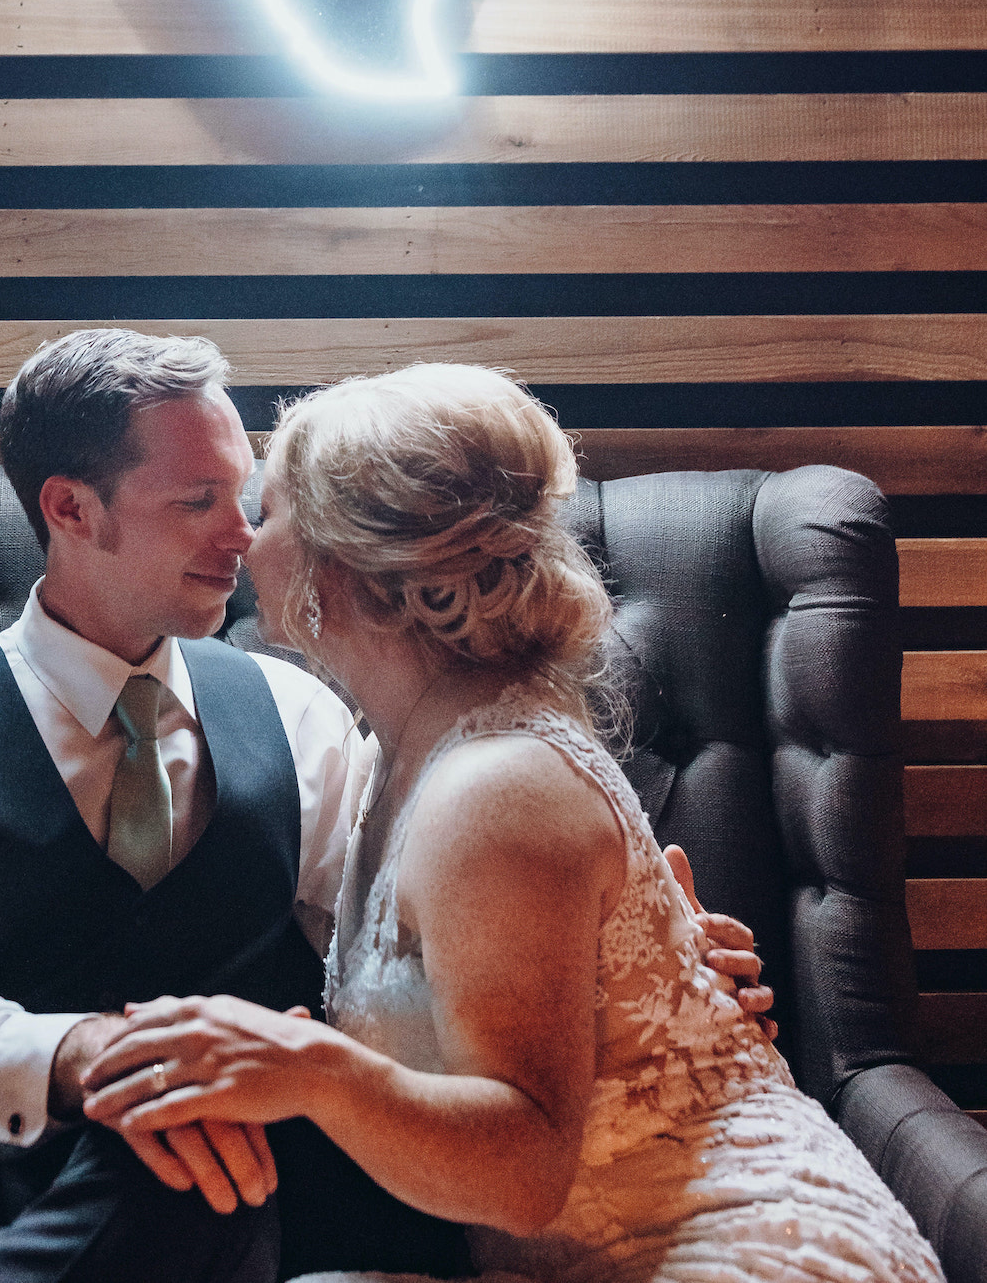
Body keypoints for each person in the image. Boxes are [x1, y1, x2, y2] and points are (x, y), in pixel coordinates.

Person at [0, 332, 770, 1283]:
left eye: (247, 494)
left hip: (271, 1192)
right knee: (164, 1134)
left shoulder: (299, 708)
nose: (245, 532)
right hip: (12, 1197)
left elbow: (419, 935)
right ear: (70, 507)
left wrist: (627, 971)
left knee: (204, 1146)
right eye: (199, 499)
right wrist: (99, 1054)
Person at [81, 363, 943, 1283]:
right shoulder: (399, 749)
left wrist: (313, 1070)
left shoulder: (493, 788)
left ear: (344, 561)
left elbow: (528, 1169)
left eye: (270, 507)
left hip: (741, 1252)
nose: (247, 536)